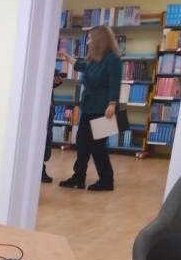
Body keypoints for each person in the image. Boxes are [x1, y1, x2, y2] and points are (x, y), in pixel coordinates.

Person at [56, 24, 122, 191]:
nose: (88, 42)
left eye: (91, 38)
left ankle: (106, 181)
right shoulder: (95, 58)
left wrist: (112, 104)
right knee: (82, 143)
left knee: (98, 147)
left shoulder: (112, 59)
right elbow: (82, 66)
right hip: (89, 106)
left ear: (100, 39)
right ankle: (78, 177)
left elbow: (115, 84)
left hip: (103, 109)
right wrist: (67, 57)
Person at [42, 70, 65, 183]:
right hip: (43, 105)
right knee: (42, 138)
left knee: (46, 138)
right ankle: (39, 169)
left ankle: (40, 168)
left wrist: (55, 83)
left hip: (48, 106)